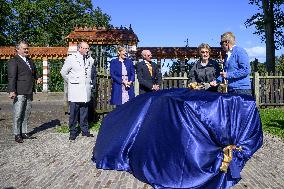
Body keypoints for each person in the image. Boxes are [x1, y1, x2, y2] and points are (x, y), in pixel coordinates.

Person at [7, 41, 42, 143]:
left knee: (26, 113)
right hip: (19, 91)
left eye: (27, 48)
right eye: (24, 48)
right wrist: (12, 90)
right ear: (18, 49)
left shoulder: (30, 60)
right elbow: (12, 77)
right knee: (18, 114)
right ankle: (17, 134)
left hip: (29, 90)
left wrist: (37, 78)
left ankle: (24, 132)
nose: (26, 50)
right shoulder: (14, 61)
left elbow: (34, 71)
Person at [60, 42, 95, 140]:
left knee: (84, 113)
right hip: (75, 90)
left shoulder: (90, 60)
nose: (87, 50)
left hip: (85, 90)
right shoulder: (71, 58)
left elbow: (90, 74)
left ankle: (85, 130)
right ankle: (72, 132)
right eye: (85, 48)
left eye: (88, 48)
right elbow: (63, 72)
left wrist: (90, 84)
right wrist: (71, 81)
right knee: (74, 113)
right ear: (80, 48)